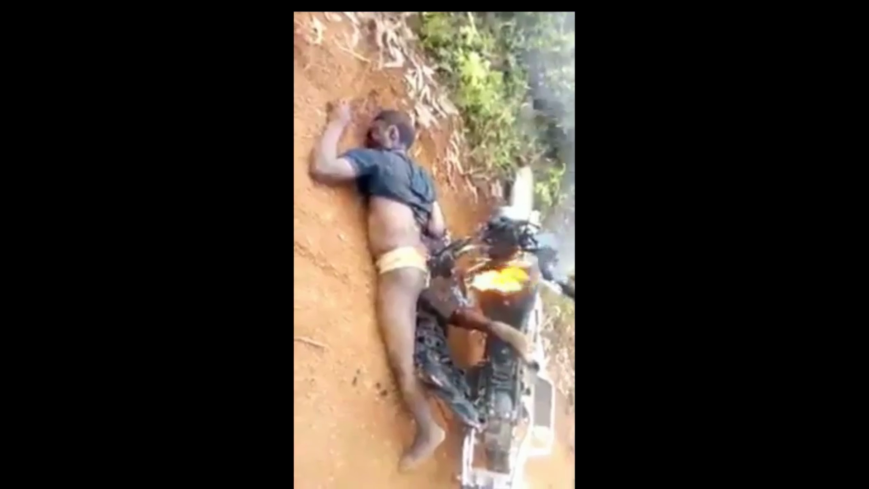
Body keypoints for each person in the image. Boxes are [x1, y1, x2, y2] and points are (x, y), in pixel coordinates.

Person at [310, 101, 449, 470]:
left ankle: (429, 429)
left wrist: (338, 122)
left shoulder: (380, 160)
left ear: (392, 134)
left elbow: (322, 167)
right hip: (418, 267)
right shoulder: (423, 178)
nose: (368, 139)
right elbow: (438, 228)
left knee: (401, 363)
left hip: (399, 268)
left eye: (372, 133)